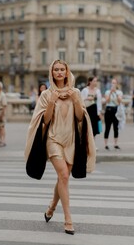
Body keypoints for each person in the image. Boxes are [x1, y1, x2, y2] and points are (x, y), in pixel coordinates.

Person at [25, 59, 96, 235]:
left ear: (66, 72)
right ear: (52, 72)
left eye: (61, 69)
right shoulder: (46, 94)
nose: (58, 72)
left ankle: (51, 208)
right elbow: (44, 120)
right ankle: (68, 219)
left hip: (71, 140)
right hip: (53, 139)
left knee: (63, 178)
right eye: (55, 69)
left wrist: (76, 100)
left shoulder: (76, 92)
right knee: (63, 174)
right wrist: (52, 101)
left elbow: (80, 118)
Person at [81, 76, 102, 149]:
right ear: (90, 82)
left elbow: (99, 102)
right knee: (86, 128)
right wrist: (87, 98)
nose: (96, 82)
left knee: (94, 128)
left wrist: (99, 112)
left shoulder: (98, 91)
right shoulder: (85, 90)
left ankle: (92, 145)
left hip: (94, 110)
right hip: (87, 110)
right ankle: (86, 144)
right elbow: (80, 100)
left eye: (96, 81)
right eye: (94, 81)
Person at [104, 78, 123, 150]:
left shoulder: (119, 92)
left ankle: (116, 144)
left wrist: (115, 93)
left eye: (114, 83)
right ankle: (106, 144)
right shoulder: (107, 92)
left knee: (116, 128)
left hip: (116, 110)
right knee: (107, 128)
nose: (113, 84)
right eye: (112, 83)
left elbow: (120, 101)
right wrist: (111, 93)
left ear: (117, 84)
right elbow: (107, 101)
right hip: (108, 109)